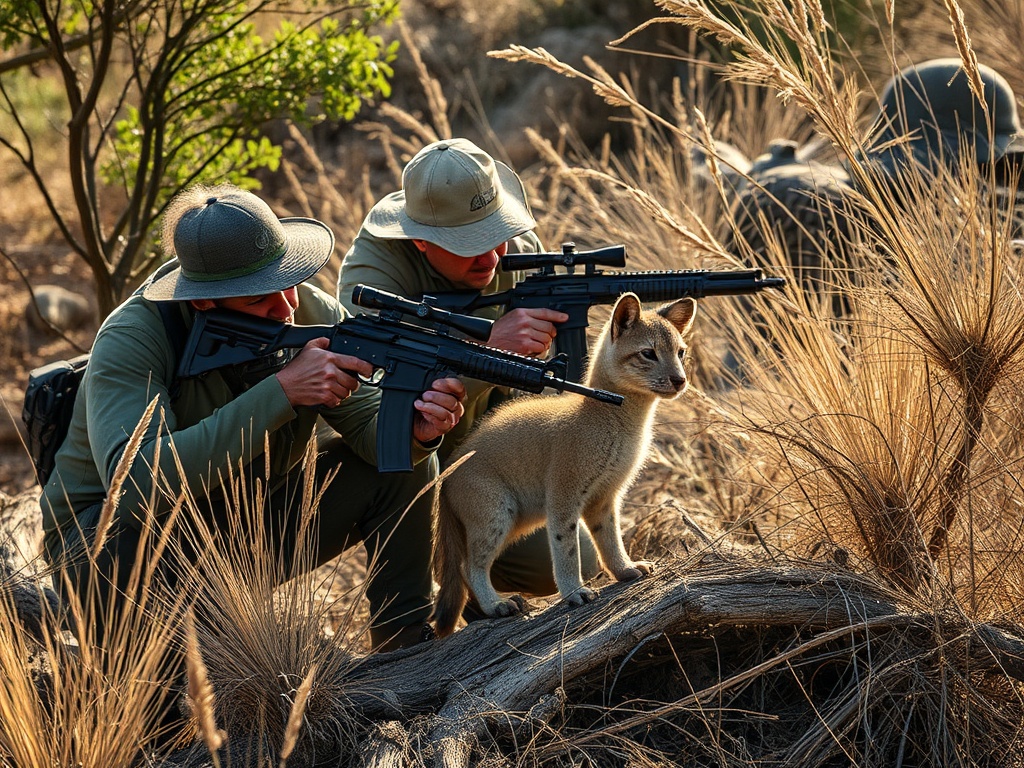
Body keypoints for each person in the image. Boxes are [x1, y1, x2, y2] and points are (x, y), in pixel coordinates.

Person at [40, 183, 467, 654]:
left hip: (235, 525)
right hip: (108, 553)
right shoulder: (134, 336)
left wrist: (415, 433)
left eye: (289, 281)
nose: (285, 308)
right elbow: (137, 481)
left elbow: (371, 429)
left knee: (399, 463)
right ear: (203, 301)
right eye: (257, 299)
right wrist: (282, 392)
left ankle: (406, 648)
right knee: (172, 712)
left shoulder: (305, 310)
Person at [337, 138, 601, 609]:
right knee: (410, 473)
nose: (494, 258)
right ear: (420, 240)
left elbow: (541, 384)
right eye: (469, 246)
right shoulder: (371, 281)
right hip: (411, 461)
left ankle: (479, 590)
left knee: (563, 562)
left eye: (496, 232)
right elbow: (391, 415)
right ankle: (406, 626)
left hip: (494, 452)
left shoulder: (515, 251)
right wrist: (490, 350)